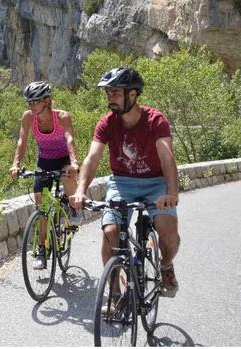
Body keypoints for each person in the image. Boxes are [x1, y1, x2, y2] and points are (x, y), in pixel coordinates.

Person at [70, 67, 180, 298]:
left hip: (156, 182)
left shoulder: (155, 120)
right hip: (122, 183)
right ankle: (114, 293)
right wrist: (80, 190)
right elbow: (92, 158)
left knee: (168, 233)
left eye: (115, 93)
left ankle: (166, 265)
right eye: (108, 94)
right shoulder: (107, 123)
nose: (110, 98)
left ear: (132, 95)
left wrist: (171, 192)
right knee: (110, 232)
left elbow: (166, 156)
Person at [10, 81, 80, 270]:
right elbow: (21, 141)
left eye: (34, 102)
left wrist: (73, 163)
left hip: (64, 158)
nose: (30, 107)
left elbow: (69, 139)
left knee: (67, 176)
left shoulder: (63, 116)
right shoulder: (28, 117)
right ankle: (41, 250)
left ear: (47, 101)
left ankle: (73, 207)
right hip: (45, 161)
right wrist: (16, 164)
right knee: (42, 207)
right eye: (29, 103)